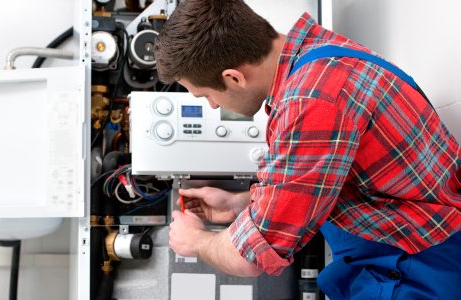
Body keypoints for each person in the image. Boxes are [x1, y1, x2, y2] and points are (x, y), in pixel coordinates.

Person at [153, 0, 461, 299]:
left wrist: (195, 240)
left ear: (234, 77)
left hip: (415, 269)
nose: (212, 105)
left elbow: (249, 258)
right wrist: (239, 204)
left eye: (204, 95)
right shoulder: (320, 55)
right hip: (408, 249)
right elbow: (322, 179)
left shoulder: (311, 102)